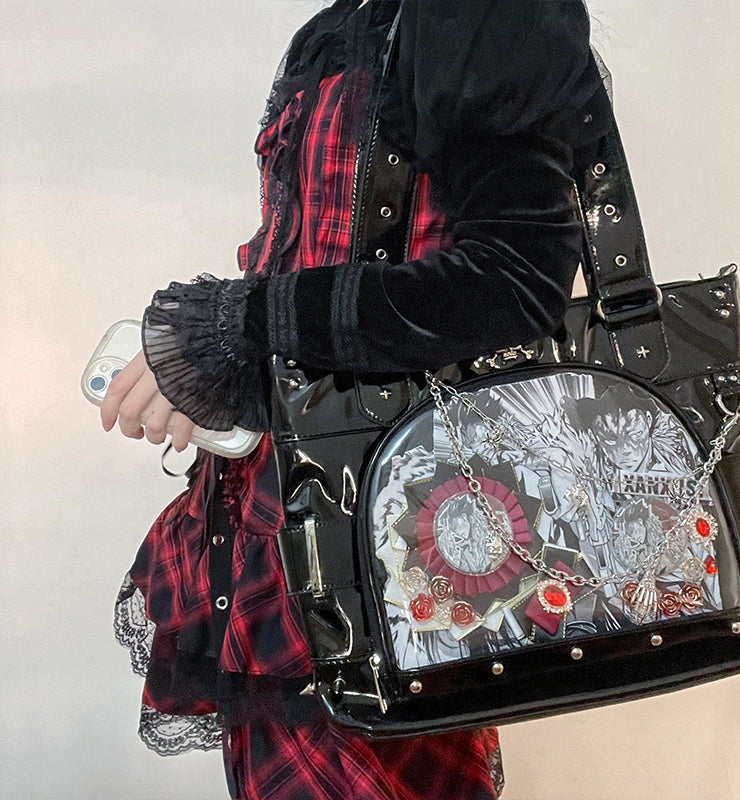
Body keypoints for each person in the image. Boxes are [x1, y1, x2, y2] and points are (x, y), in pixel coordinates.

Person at [100, 1, 612, 797]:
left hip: (390, 544)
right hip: (287, 522)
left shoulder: (485, 12)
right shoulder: (350, 23)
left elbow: (513, 284)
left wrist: (238, 325)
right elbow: (323, 258)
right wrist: (230, 373)